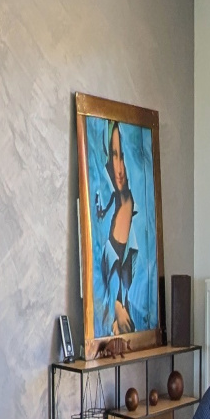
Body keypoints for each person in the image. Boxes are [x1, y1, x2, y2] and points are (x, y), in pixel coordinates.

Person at [95, 120, 138, 334]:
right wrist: (116, 308)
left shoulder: (141, 219)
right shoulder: (104, 212)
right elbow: (97, 279)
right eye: (114, 155)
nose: (119, 168)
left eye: (123, 155)